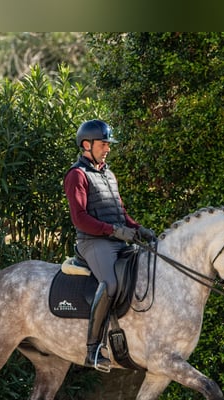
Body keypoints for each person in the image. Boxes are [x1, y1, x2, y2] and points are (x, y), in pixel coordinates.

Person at [63, 119, 155, 371]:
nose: (108, 148)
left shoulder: (108, 174)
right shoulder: (77, 175)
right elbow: (79, 218)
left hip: (115, 239)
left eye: (108, 144)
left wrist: (138, 229)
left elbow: (120, 213)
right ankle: (92, 350)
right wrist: (114, 231)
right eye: (104, 144)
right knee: (112, 283)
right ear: (86, 145)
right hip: (92, 242)